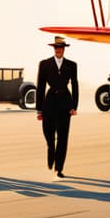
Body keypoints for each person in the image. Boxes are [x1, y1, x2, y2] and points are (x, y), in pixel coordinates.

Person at [37, 35, 79, 178]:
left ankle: (59, 168)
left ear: (64, 49)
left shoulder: (72, 65)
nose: (58, 50)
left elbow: (74, 84)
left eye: (61, 48)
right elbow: (41, 86)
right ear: (53, 49)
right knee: (48, 133)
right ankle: (50, 148)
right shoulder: (44, 64)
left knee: (63, 137)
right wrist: (39, 109)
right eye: (56, 47)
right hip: (49, 102)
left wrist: (74, 106)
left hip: (65, 103)